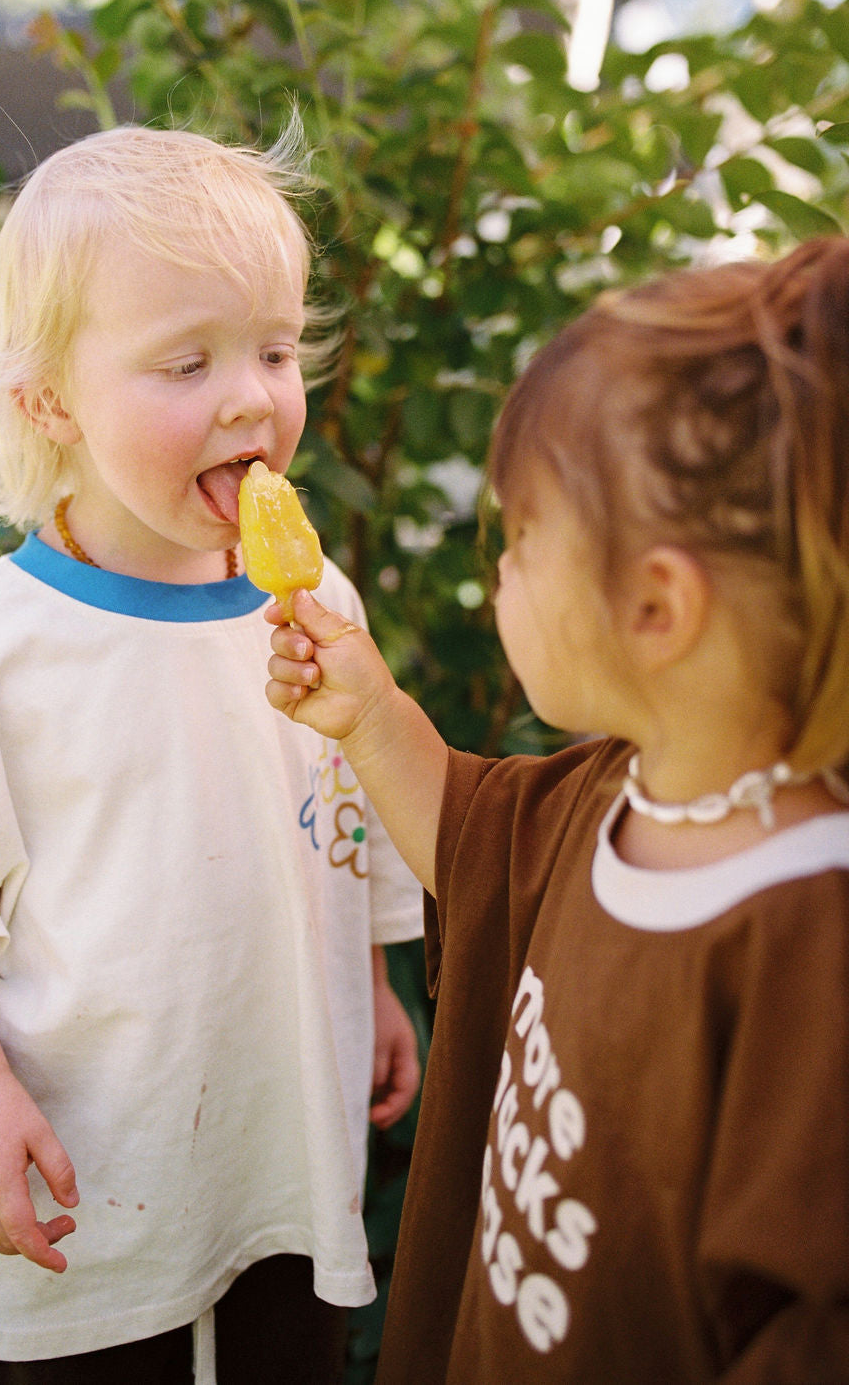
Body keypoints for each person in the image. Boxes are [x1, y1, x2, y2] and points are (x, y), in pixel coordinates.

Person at [0, 124, 423, 1385]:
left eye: (272, 348)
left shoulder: (321, 613)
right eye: (186, 362)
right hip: (83, 1171)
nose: (252, 395)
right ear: (52, 402)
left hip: (275, 1142)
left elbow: (345, 807)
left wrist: (370, 978)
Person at [264, 236, 849, 1383]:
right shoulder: (624, 792)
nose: (501, 569)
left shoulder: (803, 948)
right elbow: (475, 848)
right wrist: (371, 712)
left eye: (523, 537)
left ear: (653, 604)